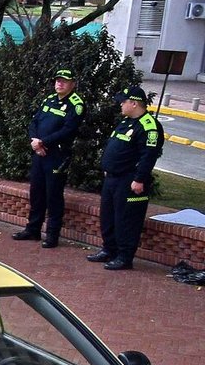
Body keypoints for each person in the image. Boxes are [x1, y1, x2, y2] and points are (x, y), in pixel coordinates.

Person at [88, 86, 163, 271]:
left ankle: (124, 256)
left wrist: (139, 179)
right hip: (112, 179)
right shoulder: (126, 121)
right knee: (108, 217)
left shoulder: (149, 126)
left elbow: (149, 156)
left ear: (134, 103)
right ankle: (109, 249)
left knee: (126, 220)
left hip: (130, 180)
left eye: (124, 101)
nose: (121, 104)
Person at [12, 69, 85, 248]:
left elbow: (68, 131)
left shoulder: (76, 105)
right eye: (57, 81)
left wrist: (43, 142)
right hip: (39, 153)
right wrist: (35, 142)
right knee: (36, 193)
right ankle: (33, 230)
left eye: (64, 81)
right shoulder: (49, 99)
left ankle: (52, 235)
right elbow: (34, 122)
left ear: (72, 84)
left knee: (53, 196)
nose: (59, 84)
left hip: (57, 156)